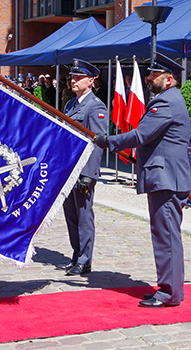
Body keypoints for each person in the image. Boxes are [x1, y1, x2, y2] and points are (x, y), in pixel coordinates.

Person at [93, 52, 191, 308]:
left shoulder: (166, 102)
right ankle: (171, 289)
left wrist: (109, 141)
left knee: (166, 237)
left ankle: (169, 292)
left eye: (153, 75)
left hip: (166, 178)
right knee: (167, 235)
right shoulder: (169, 98)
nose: (148, 78)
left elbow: (140, 135)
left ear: (169, 79)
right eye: (148, 74)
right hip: (167, 177)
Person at [56, 59, 108, 276]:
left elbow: (97, 142)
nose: (73, 81)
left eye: (78, 78)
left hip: (83, 170)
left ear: (91, 80)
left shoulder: (95, 106)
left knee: (84, 215)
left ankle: (85, 260)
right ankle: (76, 255)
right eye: (72, 77)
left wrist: (89, 174)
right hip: (68, 169)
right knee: (71, 215)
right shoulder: (71, 105)